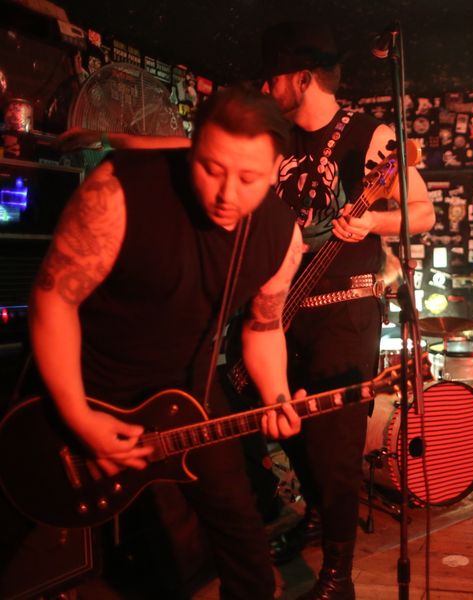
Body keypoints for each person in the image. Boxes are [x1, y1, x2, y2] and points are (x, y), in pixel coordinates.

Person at [28, 85, 305, 600]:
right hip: (86, 381)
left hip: (189, 388)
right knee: (35, 536)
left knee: (243, 541)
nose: (226, 194)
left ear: (276, 170)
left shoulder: (282, 236)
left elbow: (264, 328)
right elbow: (53, 302)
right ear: (190, 147)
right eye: (210, 169)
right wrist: (78, 416)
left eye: (248, 178)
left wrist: (277, 395)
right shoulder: (117, 192)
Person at [260, 20, 434, 600]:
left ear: (302, 77)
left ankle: (339, 577)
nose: (266, 88)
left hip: (345, 307)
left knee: (333, 444)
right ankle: (316, 514)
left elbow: (423, 212)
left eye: (274, 77)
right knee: (285, 425)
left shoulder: (370, 135)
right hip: (281, 308)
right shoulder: (277, 137)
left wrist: (372, 221)